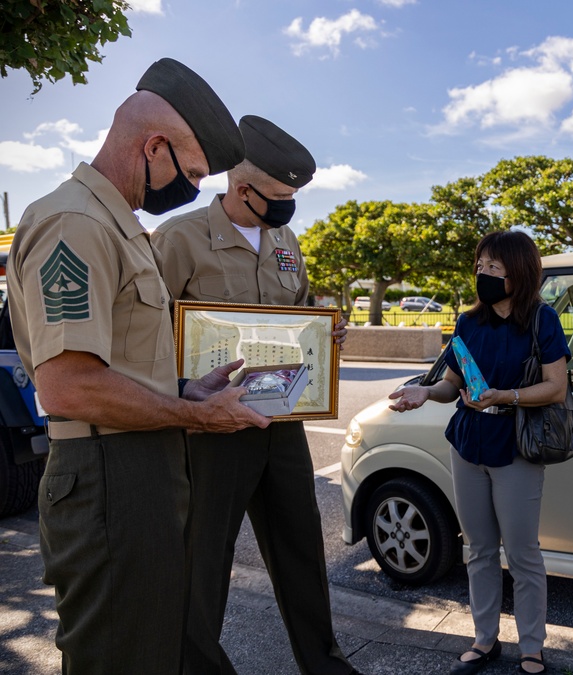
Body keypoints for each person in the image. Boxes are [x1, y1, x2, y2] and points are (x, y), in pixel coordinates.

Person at [6, 57, 271, 674]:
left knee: (149, 646)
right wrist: (192, 417)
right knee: (117, 656)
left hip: (136, 467)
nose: (193, 190)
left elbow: (116, 359)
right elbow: (67, 384)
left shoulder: (117, 226)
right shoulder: (76, 222)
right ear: (154, 146)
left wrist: (185, 390)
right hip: (107, 475)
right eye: (192, 174)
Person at [151, 116, 360, 675]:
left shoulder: (285, 240)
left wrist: (325, 329)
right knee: (204, 561)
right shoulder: (179, 238)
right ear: (241, 188)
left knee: (302, 550)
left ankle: (325, 665)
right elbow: (146, 333)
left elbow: (298, 310)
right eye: (280, 197)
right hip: (214, 428)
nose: (288, 208)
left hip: (283, 420)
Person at [387, 230, 569, 675]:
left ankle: (532, 648)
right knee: (480, 549)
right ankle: (485, 640)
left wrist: (505, 396)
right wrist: (424, 392)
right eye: (479, 265)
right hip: (468, 443)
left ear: (518, 272)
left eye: (493, 267)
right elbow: (453, 383)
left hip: (515, 447)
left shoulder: (542, 321)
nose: (481, 274)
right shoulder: (468, 323)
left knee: (523, 553)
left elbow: (556, 387)